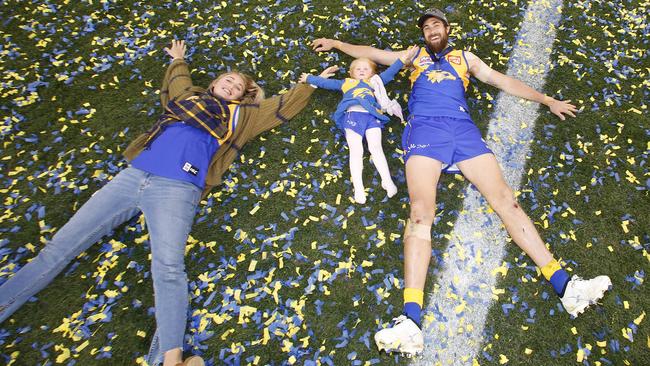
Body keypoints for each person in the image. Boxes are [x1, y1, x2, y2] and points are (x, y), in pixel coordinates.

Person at [0, 40, 335, 366]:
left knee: (168, 269)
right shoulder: (188, 99)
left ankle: (170, 359)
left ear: (245, 95)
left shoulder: (244, 116)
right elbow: (179, 82)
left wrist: (308, 83)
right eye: (228, 79)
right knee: (57, 249)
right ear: (215, 83)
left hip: (177, 188)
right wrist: (178, 60)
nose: (233, 85)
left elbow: (281, 106)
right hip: (133, 176)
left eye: (240, 86)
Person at [312, 8, 611, 357]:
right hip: (424, 129)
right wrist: (335, 43)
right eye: (426, 27)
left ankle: (566, 287)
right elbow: (374, 54)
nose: (430, 30)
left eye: (435, 24)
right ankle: (410, 321)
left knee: (507, 202)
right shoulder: (414, 55)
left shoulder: (465, 57)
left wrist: (546, 99)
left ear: (447, 29)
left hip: (463, 130)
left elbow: (502, 80)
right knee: (421, 213)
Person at [299, 47, 417, 203]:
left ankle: (387, 181)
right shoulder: (346, 83)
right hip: (352, 116)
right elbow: (325, 83)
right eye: (357, 68)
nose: (361, 71)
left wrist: (403, 59)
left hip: (372, 116)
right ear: (351, 73)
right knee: (356, 151)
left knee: (376, 147)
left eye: (366, 68)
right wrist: (309, 78)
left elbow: (391, 72)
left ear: (372, 73)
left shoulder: (375, 82)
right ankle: (359, 188)